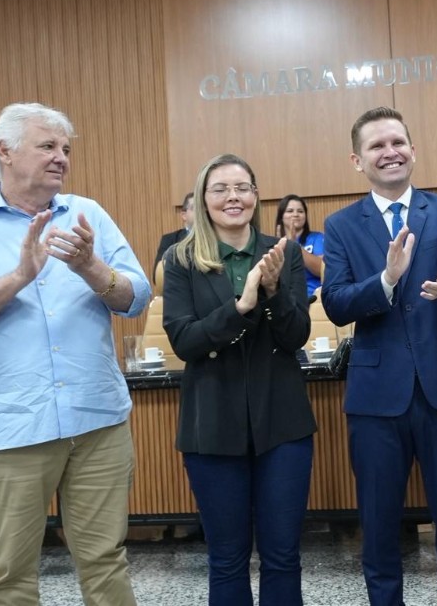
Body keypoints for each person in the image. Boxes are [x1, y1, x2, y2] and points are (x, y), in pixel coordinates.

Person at [0, 102, 151, 605]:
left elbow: (136, 298)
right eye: (48, 146)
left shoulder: (89, 214)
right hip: (11, 429)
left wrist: (91, 268)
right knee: (12, 578)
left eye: (66, 148)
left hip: (97, 423)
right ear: (4, 151)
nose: (61, 157)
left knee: (106, 563)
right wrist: (18, 278)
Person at [321, 106, 437, 606]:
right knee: (378, 525)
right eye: (377, 146)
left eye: (397, 142)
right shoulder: (341, 226)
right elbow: (335, 303)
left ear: (413, 151)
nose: (390, 152)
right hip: (376, 399)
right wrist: (386, 282)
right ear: (358, 161)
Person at [161, 153, 316, 605]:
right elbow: (185, 341)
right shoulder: (181, 259)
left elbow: (296, 335)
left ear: (256, 195)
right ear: (203, 200)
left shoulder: (282, 253)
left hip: (283, 425)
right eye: (220, 189)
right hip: (211, 427)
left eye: (243, 187)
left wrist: (271, 294)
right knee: (227, 558)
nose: (233, 197)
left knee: (283, 555)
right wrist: (241, 307)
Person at [275, 193, 324, 298]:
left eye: (300, 211)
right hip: (285, 298)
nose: (295, 214)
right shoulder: (274, 243)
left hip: (313, 297)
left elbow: (321, 270)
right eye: (290, 211)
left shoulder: (317, 238)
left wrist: (294, 246)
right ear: (281, 216)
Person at [154, 191, 194, 279]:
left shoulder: (216, 238)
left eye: (202, 208)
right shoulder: (169, 240)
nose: (200, 212)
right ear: (184, 215)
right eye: (194, 208)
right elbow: (158, 276)